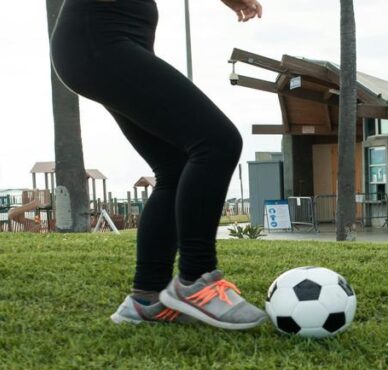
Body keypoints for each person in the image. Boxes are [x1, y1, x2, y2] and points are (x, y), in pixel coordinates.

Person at [51, 0, 268, 330]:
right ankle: (196, 279)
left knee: (176, 166)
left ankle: (146, 299)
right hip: (98, 40)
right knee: (218, 142)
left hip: (108, 42)